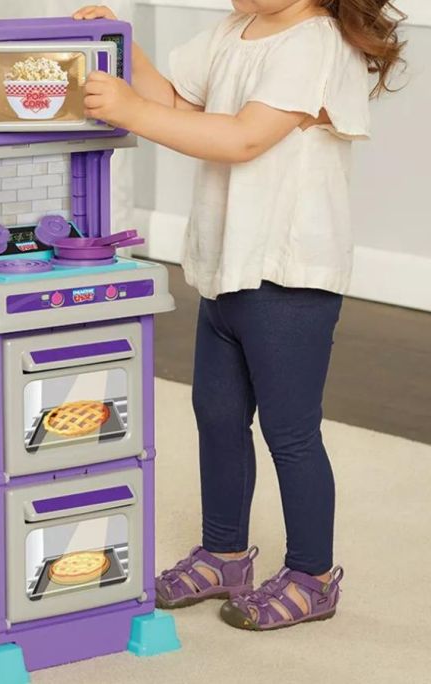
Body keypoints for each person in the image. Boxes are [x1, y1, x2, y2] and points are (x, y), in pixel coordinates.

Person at [72, 1, 405, 630]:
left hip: (289, 274)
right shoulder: (234, 32)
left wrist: (130, 111)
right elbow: (178, 104)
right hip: (228, 264)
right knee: (217, 415)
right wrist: (125, 50)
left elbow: (242, 138)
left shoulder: (315, 44)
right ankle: (225, 553)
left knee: (291, 432)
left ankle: (314, 575)